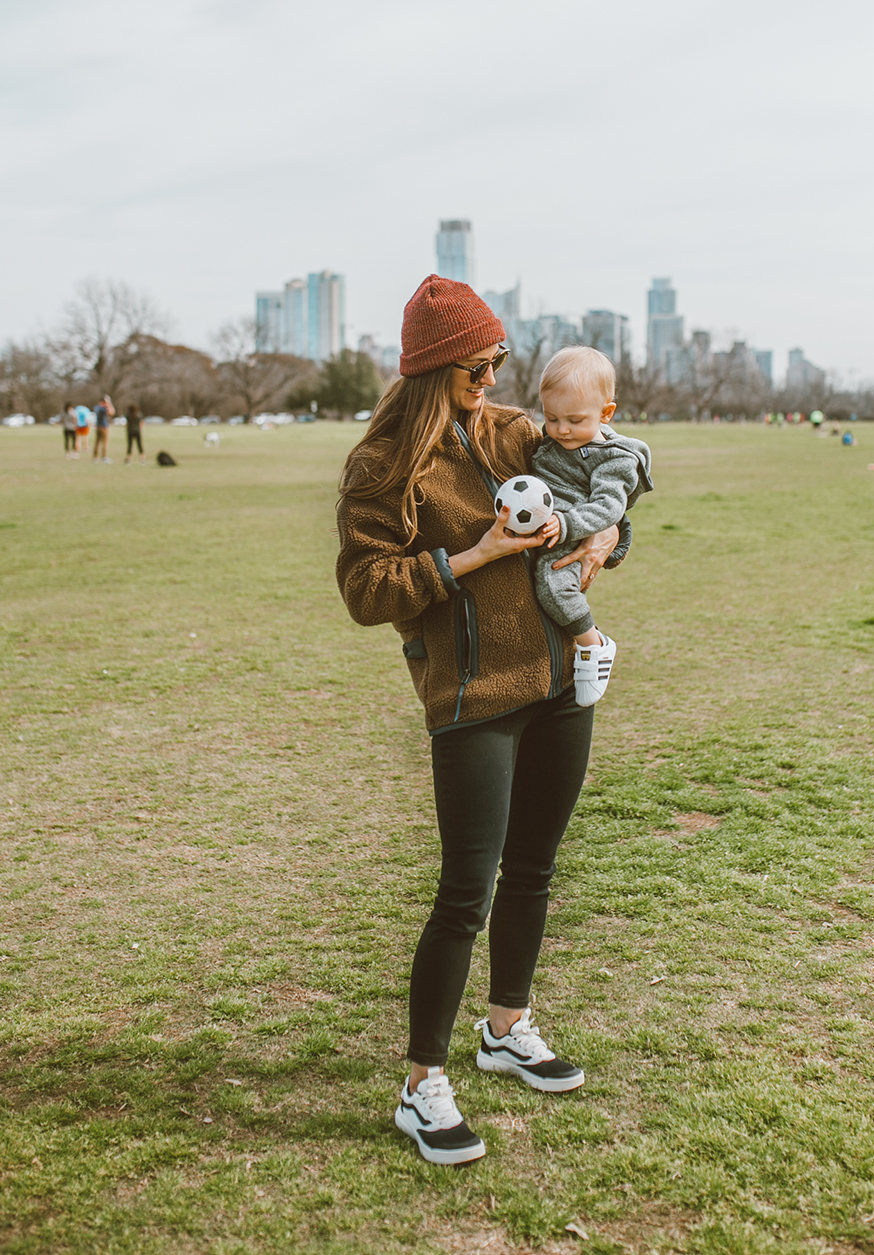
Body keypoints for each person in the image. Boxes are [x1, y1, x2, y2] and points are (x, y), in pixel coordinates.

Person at [336, 275, 627, 1166]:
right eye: (477, 367)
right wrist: (475, 554)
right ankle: (422, 1083)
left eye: (498, 361)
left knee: (534, 868)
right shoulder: (383, 465)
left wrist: (608, 539)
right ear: (433, 371)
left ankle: (507, 1028)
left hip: (558, 680)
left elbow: (604, 466)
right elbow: (365, 590)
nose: (492, 380)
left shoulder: (513, 432)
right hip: (471, 698)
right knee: (467, 889)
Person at [531, 346, 652, 706]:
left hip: (573, 529)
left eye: (574, 420)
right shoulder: (555, 437)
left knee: (553, 585)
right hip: (551, 521)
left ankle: (593, 645)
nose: (561, 430)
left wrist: (567, 524)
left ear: (606, 413)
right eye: (551, 418)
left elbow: (608, 506)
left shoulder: (613, 460)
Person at [92, 395, 115, 463]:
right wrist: (109, 403)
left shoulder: (96, 407)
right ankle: (104, 457)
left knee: (97, 442)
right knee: (105, 442)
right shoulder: (104, 408)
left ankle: (95, 457)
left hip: (98, 426)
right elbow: (112, 412)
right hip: (104, 427)